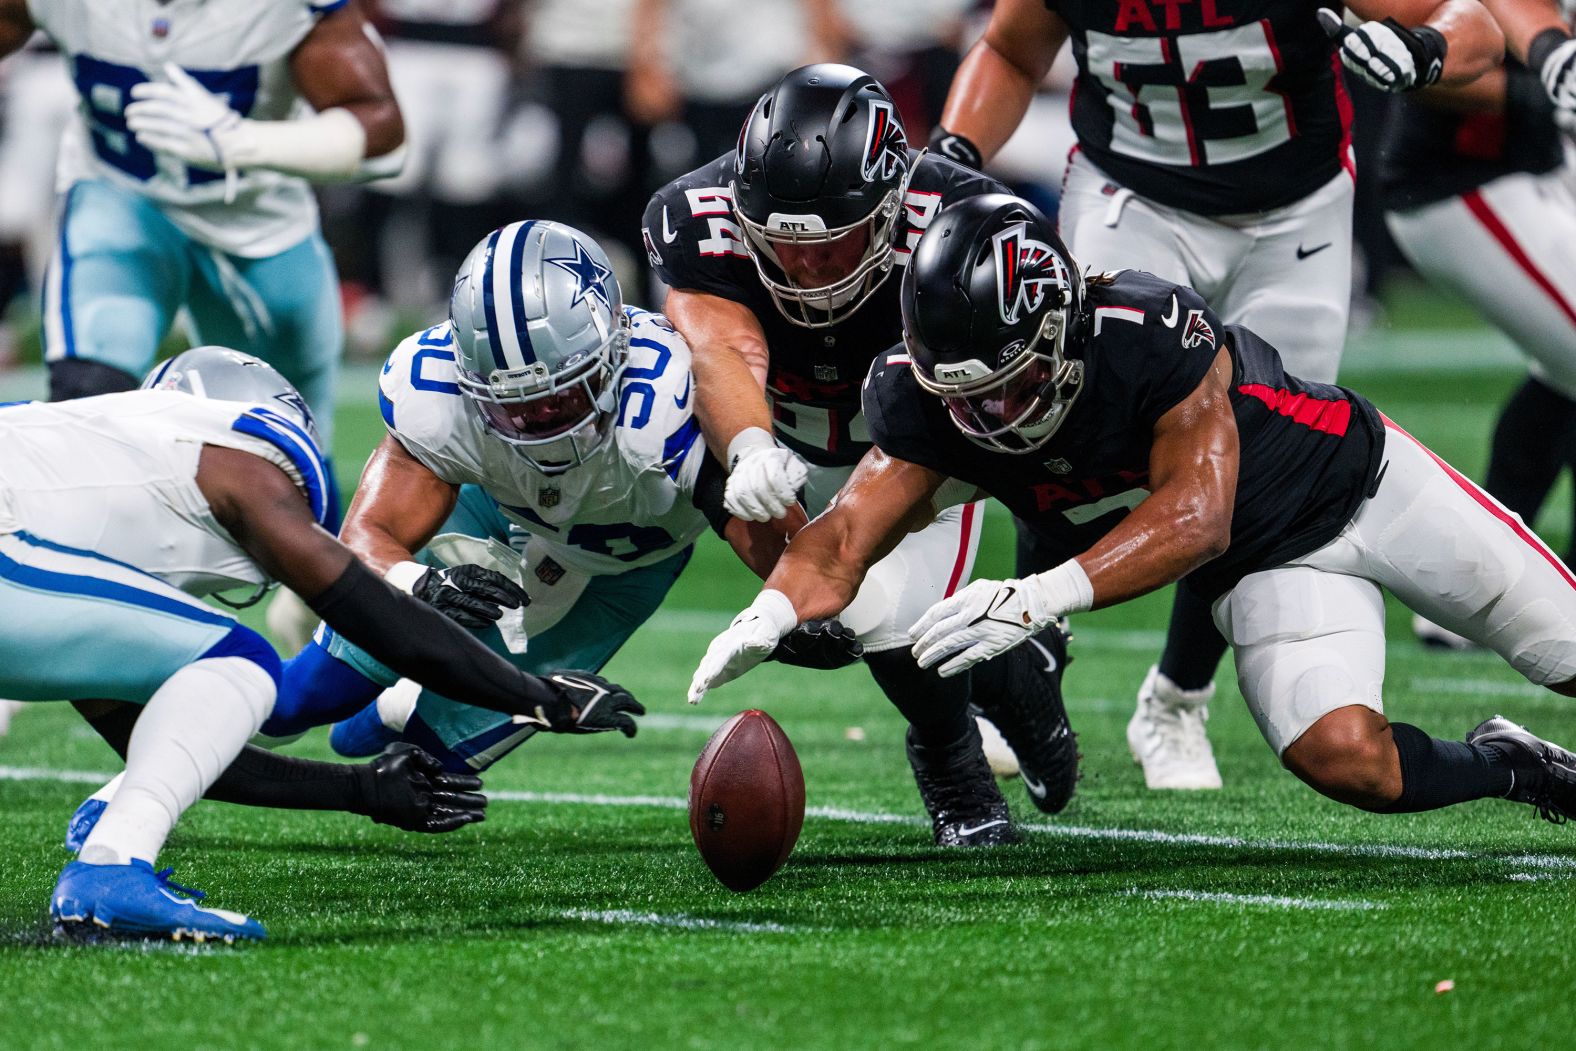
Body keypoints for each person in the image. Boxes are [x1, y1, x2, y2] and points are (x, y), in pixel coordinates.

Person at [691, 193, 1576, 831]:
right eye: (969, 401)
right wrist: (769, 609)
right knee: (1349, 761)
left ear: (1063, 327)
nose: (995, 418)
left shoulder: (1147, 333)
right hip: (1264, 572)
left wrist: (1038, 597)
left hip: (1365, 489)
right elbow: (845, 537)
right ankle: (1514, 765)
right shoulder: (933, 404)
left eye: (1014, 385)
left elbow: (1199, 513)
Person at [927, 0, 1505, 790]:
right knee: (1059, 401)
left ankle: (1175, 698)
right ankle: (1034, 660)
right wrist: (955, 155)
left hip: (1294, 214)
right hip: (1132, 196)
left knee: (1255, 458)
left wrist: (1425, 50)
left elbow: (1479, 26)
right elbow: (1011, 52)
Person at [1, 347, 641, 942]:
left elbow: (165, 753)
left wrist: (360, 792)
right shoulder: (236, 454)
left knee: (229, 676)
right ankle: (110, 871)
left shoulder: (83, 484)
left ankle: (113, 863)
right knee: (243, 664)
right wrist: (537, 697)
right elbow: (373, 613)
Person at [645, 64, 1078, 846]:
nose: (806, 267)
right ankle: (1013, 671)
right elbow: (719, 346)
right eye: (782, 242)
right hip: (786, 438)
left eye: (831, 241)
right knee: (824, 622)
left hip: (929, 435)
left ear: (887, 207)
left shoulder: (961, 219)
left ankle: (957, 756)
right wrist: (747, 448)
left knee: (890, 614)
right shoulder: (695, 216)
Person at [256, 221, 828, 771]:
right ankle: (191, 719)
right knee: (311, 696)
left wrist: (788, 608)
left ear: (614, 353)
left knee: (417, 755)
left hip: (619, 569)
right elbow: (367, 538)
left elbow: (770, 539)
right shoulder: (438, 396)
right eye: (512, 405)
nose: (536, 422)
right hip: (494, 510)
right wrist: (419, 583)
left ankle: (401, 700)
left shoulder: (665, 402)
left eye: (558, 398)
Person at [0, 0, 402, 451]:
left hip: (255, 217)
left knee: (286, 428)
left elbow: (383, 138)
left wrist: (242, 142)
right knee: (87, 395)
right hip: (120, 196)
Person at [1380, 0, 1576, 649]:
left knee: (1564, 368)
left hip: (1539, 160)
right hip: (1461, 179)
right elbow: (1432, 61)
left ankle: (1464, 588)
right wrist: (1538, 93)